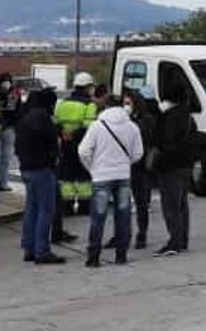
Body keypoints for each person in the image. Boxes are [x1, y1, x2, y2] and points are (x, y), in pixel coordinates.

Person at [77, 95, 141, 266]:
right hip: (123, 175)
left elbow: (83, 151)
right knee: (123, 215)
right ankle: (121, 255)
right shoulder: (132, 127)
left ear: (105, 107)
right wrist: (125, 164)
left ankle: (94, 257)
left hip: (101, 176)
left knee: (98, 217)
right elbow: (138, 153)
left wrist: (92, 168)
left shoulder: (97, 126)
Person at [15, 88, 65, 265]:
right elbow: (52, 142)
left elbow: (17, 146)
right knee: (46, 210)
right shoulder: (44, 119)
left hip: (26, 168)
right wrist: (54, 157)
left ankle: (29, 247)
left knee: (31, 209)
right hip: (43, 169)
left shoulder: (24, 118)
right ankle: (42, 250)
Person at [152, 73, 200, 254]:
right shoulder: (188, 116)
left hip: (170, 166)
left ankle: (174, 241)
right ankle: (183, 239)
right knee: (182, 204)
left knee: (170, 205)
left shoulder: (169, 117)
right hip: (186, 164)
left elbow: (166, 142)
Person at [115, 89, 159, 250]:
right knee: (122, 202)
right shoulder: (121, 120)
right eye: (124, 103)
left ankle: (142, 233)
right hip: (122, 165)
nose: (126, 106)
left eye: (129, 103)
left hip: (140, 165)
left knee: (141, 202)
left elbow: (145, 138)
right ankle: (120, 234)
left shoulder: (146, 120)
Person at [55, 72, 99, 215]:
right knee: (83, 176)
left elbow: (57, 122)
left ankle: (66, 207)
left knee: (67, 175)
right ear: (87, 87)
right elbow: (89, 127)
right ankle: (84, 206)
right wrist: (75, 135)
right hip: (82, 144)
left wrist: (64, 133)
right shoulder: (90, 104)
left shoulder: (63, 103)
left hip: (65, 144)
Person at [0, 72, 22, 192]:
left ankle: (3, 182)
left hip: (9, 128)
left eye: (8, 81)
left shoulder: (14, 93)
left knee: (6, 157)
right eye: (5, 81)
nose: (7, 83)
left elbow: (17, 110)